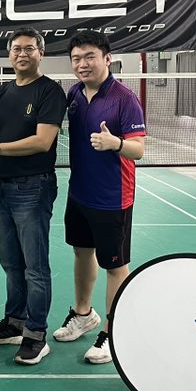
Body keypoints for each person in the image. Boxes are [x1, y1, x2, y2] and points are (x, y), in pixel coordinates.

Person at [0, 28, 66, 365]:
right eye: (16, 49)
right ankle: (15, 323)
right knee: (11, 263)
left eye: (29, 48)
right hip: (5, 186)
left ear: (41, 52)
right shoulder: (5, 91)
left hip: (34, 187)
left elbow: (42, 141)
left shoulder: (50, 91)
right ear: (9, 53)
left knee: (35, 268)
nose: (22, 54)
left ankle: (36, 334)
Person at [54, 30, 145, 364]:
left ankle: (112, 330)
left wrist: (116, 143)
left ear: (106, 58)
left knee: (115, 266)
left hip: (113, 197)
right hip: (80, 193)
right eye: (76, 58)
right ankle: (83, 314)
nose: (82, 64)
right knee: (82, 253)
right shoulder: (74, 93)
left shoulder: (124, 98)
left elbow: (139, 149)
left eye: (89, 56)